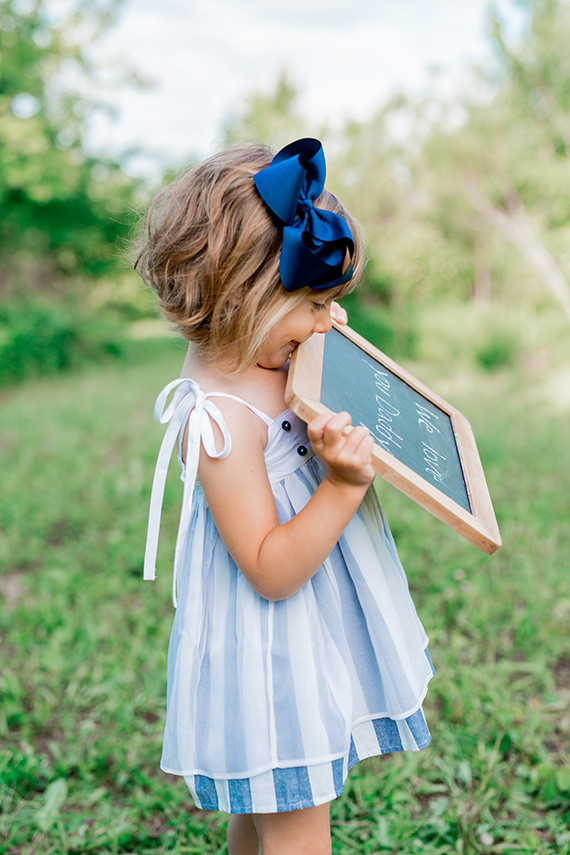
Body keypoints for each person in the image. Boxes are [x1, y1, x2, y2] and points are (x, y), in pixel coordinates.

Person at [136, 138, 433, 855]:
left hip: (307, 631)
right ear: (243, 301)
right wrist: (342, 484)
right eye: (317, 303)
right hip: (271, 653)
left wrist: (320, 347)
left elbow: (303, 353)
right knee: (298, 823)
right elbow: (270, 569)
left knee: (265, 807)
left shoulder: (268, 351)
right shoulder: (223, 420)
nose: (329, 322)